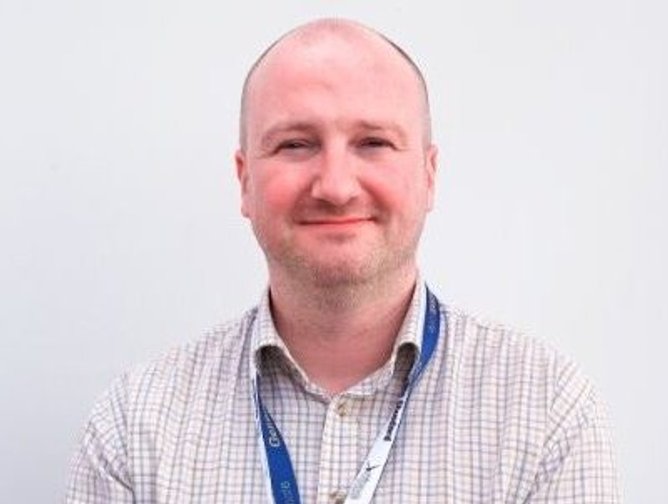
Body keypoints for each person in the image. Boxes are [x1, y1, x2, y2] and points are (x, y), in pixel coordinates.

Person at [66, 18, 621, 503]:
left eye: (373, 142)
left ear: (429, 175)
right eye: (295, 144)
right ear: (244, 181)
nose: (335, 186)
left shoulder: (545, 413)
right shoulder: (135, 427)